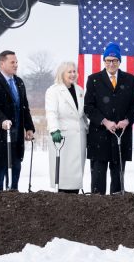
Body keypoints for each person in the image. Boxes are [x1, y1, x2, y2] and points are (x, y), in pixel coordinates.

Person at [84, 42, 134, 195]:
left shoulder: (130, 80)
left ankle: (117, 210)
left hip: (120, 136)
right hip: (99, 136)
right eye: (108, 60)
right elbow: (88, 107)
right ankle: (97, 208)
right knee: (98, 178)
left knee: (117, 177)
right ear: (104, 61)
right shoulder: (94, 79)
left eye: (114, 61)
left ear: (119, 62)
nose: (111, 64)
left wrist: (127, 120)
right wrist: (104, 121)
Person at [0, 50, 35, 193]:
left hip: (17, 135)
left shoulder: (19, 82)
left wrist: (29, 127)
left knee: (16, 167)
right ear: (2, 63)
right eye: (12, 62)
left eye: (16, 62)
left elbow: (24, 106)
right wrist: (3, 121)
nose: (16, 65)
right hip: (0, 135)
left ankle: (14, 197)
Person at [45, 62, 88, 193]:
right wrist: (54, 130)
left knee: (76, 173)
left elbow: (82, 114)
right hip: (63, 137)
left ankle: (75, 196)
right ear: (62, 73)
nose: (73, 74)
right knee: (64, 173)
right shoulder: (54, 91)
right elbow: (51, 112)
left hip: (79, 136)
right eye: (69, 72)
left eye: (74, 71)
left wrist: (87, 129)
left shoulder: (80, 90)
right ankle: (63, 197)